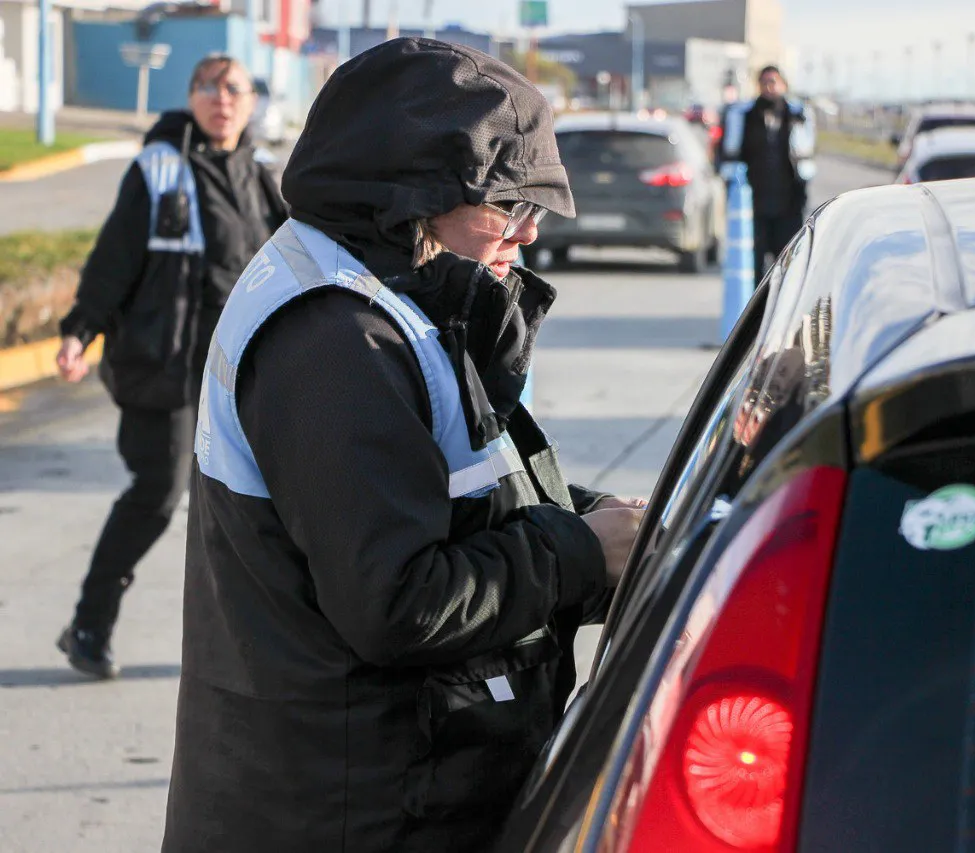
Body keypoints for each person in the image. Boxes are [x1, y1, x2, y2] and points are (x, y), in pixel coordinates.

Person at [162, 38, 646, 853]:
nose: (523, 236)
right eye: (507, 207)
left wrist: (604, 524)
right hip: (352, 812)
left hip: (386, 793)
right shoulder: (334, 338)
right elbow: (400, 601)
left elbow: (462, 496)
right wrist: (579, 552)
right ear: (416, 193)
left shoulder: (388, 288)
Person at [54, 54, 287, 679]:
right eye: (208, 87)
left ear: (250, 101)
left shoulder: (263, 176)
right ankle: (89, 623)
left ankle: (255, 645)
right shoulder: (160, 168)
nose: (221, 99)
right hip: (168, 365)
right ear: (190, 96)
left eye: (233, 88)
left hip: (241, 371)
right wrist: (80, 331)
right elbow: (114, 260)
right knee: (157, 494)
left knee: (256, 504)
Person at [718, 65, 817, 284]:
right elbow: (730, 154)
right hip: (754, 201)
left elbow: (806, 151)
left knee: (789, 263)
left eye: (774, 82)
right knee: (755, 262)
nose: (769, 87)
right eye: (765, 82)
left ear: (783, 85)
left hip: (789, 201)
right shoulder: (746, 115)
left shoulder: (796, 114)